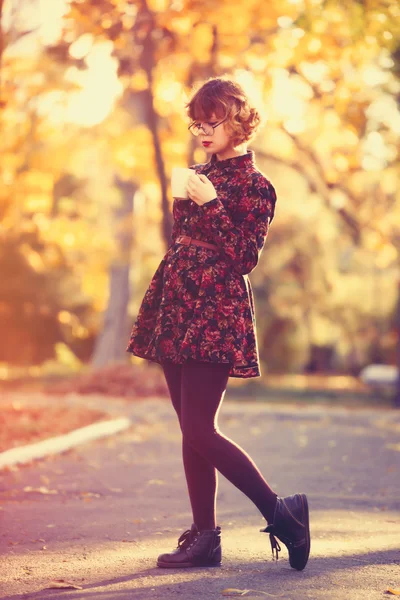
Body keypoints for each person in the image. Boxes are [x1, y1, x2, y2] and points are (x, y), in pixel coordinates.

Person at [125, 76, 310, 570]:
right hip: (178, 300)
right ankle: (205, 538)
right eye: (198, 122)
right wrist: (186, 199)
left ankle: (283, 514)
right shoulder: (193, 174)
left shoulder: (257, 186)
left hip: (216, 309)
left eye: (213, 121)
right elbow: (180, 238)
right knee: (190, 429)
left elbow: (244, 256)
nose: (203, 130)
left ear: (238, 122)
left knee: (201, 428)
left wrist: (210, 203)